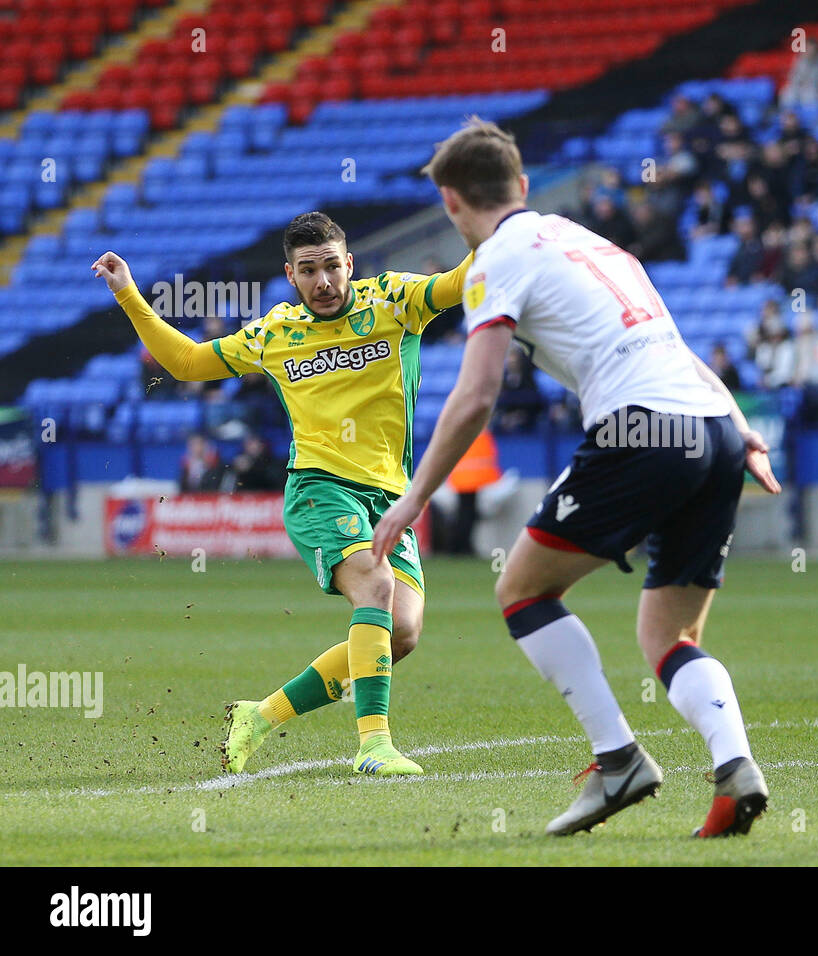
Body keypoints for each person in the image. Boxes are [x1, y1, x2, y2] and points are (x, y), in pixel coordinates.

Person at [372, 119, 782, 838]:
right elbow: (673, 344)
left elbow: (475, 395)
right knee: (670, 633)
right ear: (523, 187)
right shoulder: (592, 241)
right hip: (715, 429)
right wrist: (739, 427)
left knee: (522, 588)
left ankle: (618, 760)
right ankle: (734, 768)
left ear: (448, 202)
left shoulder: (495, 260)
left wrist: (413, 498)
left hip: (642, 429)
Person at [93, 212, 473, 777]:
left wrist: (491, 225)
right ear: (290, 275)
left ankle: (259, 715)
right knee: (375, 584)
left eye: (330, 268)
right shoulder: (276, 333)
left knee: (403, 633)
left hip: (390, 498)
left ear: (349, 264)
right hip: (320, 488)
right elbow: (186, 362)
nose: (322, 283)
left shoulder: (395, 301)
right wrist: (128, 293)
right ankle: (374, 746)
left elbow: (464, 280)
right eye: (308, 271)